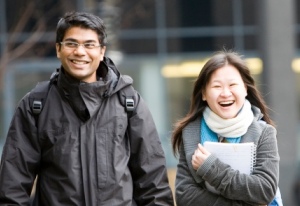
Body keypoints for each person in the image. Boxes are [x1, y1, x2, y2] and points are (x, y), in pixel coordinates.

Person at [0, 11, 174, 206]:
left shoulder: (128, 102)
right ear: (58, 49)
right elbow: (13, 186)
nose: (80, 52)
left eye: (89, 45)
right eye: (71, 44)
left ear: (102, 51)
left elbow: (153, 184)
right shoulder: (36, 105)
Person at [171, 50, 283, 206]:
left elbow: (264, 190)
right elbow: (184, 195)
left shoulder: (264, 132)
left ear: (245, 89)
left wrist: (211, 168)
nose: (225, 93)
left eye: (232, 85)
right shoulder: (191, 133)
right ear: (203, 93)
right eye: (217, 86)